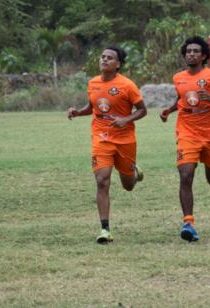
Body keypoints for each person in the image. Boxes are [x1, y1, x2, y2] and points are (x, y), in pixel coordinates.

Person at [67, 46, 147, 244]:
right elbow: (92, 107)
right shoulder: (93, 82)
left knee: (128, 185)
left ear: (118, 64)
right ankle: (105, 229)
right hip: (101, 138)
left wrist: (125, 120)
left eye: (109, 58)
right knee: (102, 180)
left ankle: (134, 173)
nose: (104, 60)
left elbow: (143, 110)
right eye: (102, 56)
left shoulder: (127, 85)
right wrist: (78, 112)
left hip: (125, 140)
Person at [160, 36, 210, 242]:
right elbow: (183, 98)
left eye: (195, 51)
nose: (191, 54)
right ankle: (188, 223)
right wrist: (169, 109)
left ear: (203, 56)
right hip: (186, 133)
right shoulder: (178, 78)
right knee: (185, 174)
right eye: (188, 51)